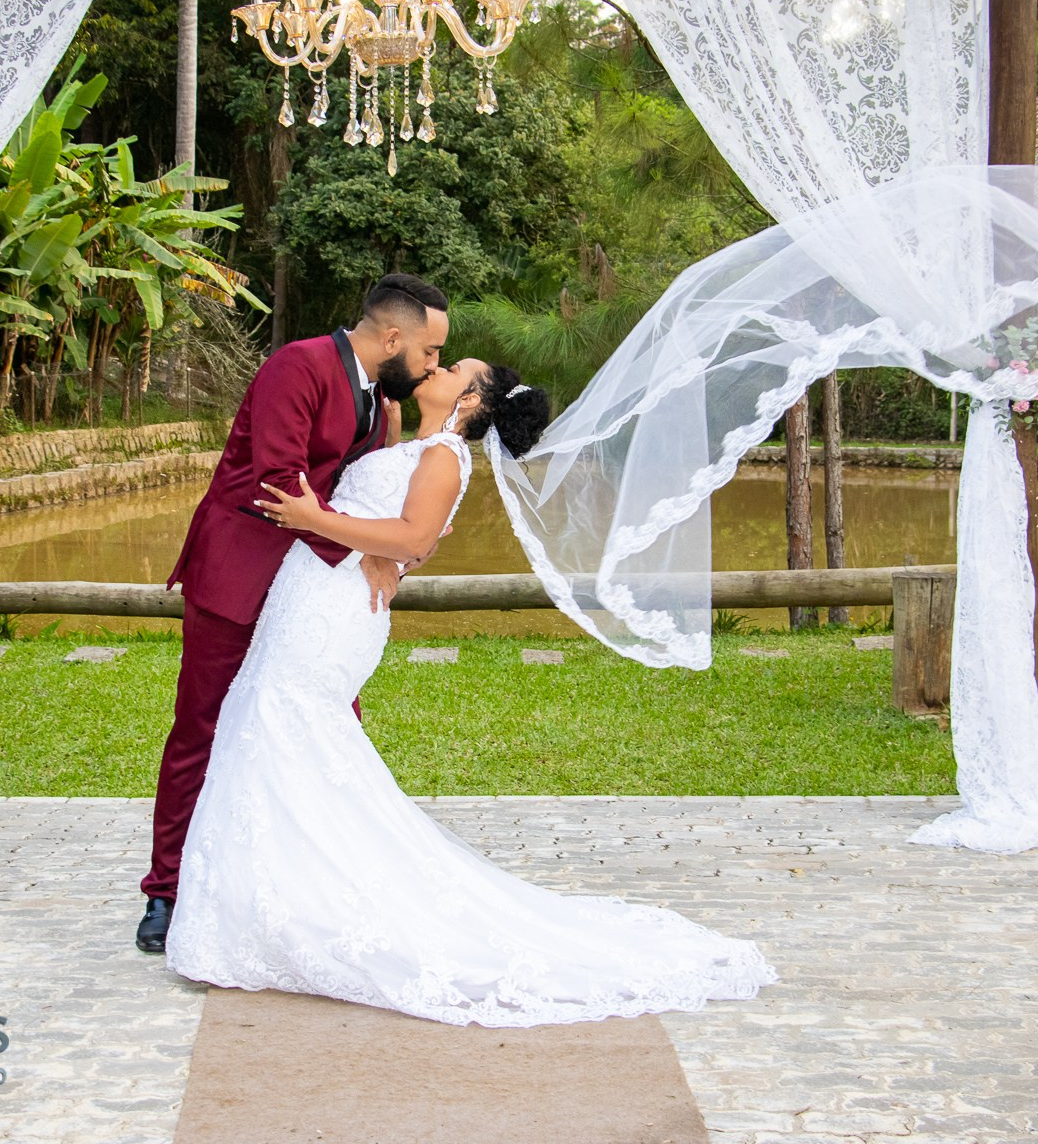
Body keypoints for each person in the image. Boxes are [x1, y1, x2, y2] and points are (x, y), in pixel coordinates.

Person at [162, 358, 776, 1026]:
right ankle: (271, 904)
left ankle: (298, 906)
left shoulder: (447, 457)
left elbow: (413, 536)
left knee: (286, 726)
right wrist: (371, 540)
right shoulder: (404, 438)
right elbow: (397, 531)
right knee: (267, 729)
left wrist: (322, 519)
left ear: (472, 398)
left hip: (332, 612)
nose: (439, 366)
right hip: (309, 596)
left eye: (454, 367)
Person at [136, 273, 450, 955]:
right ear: (392, 337)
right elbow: (280, 483)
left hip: (308, 590)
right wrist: (362, 551)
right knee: (203, 727)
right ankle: (167, 890)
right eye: (428, 353)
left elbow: (359, 491)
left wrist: (389, 545)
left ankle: (309, 886)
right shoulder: (298, 366)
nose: (431, 367)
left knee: (328, 727)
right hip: (239, 576)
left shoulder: (378, 402)